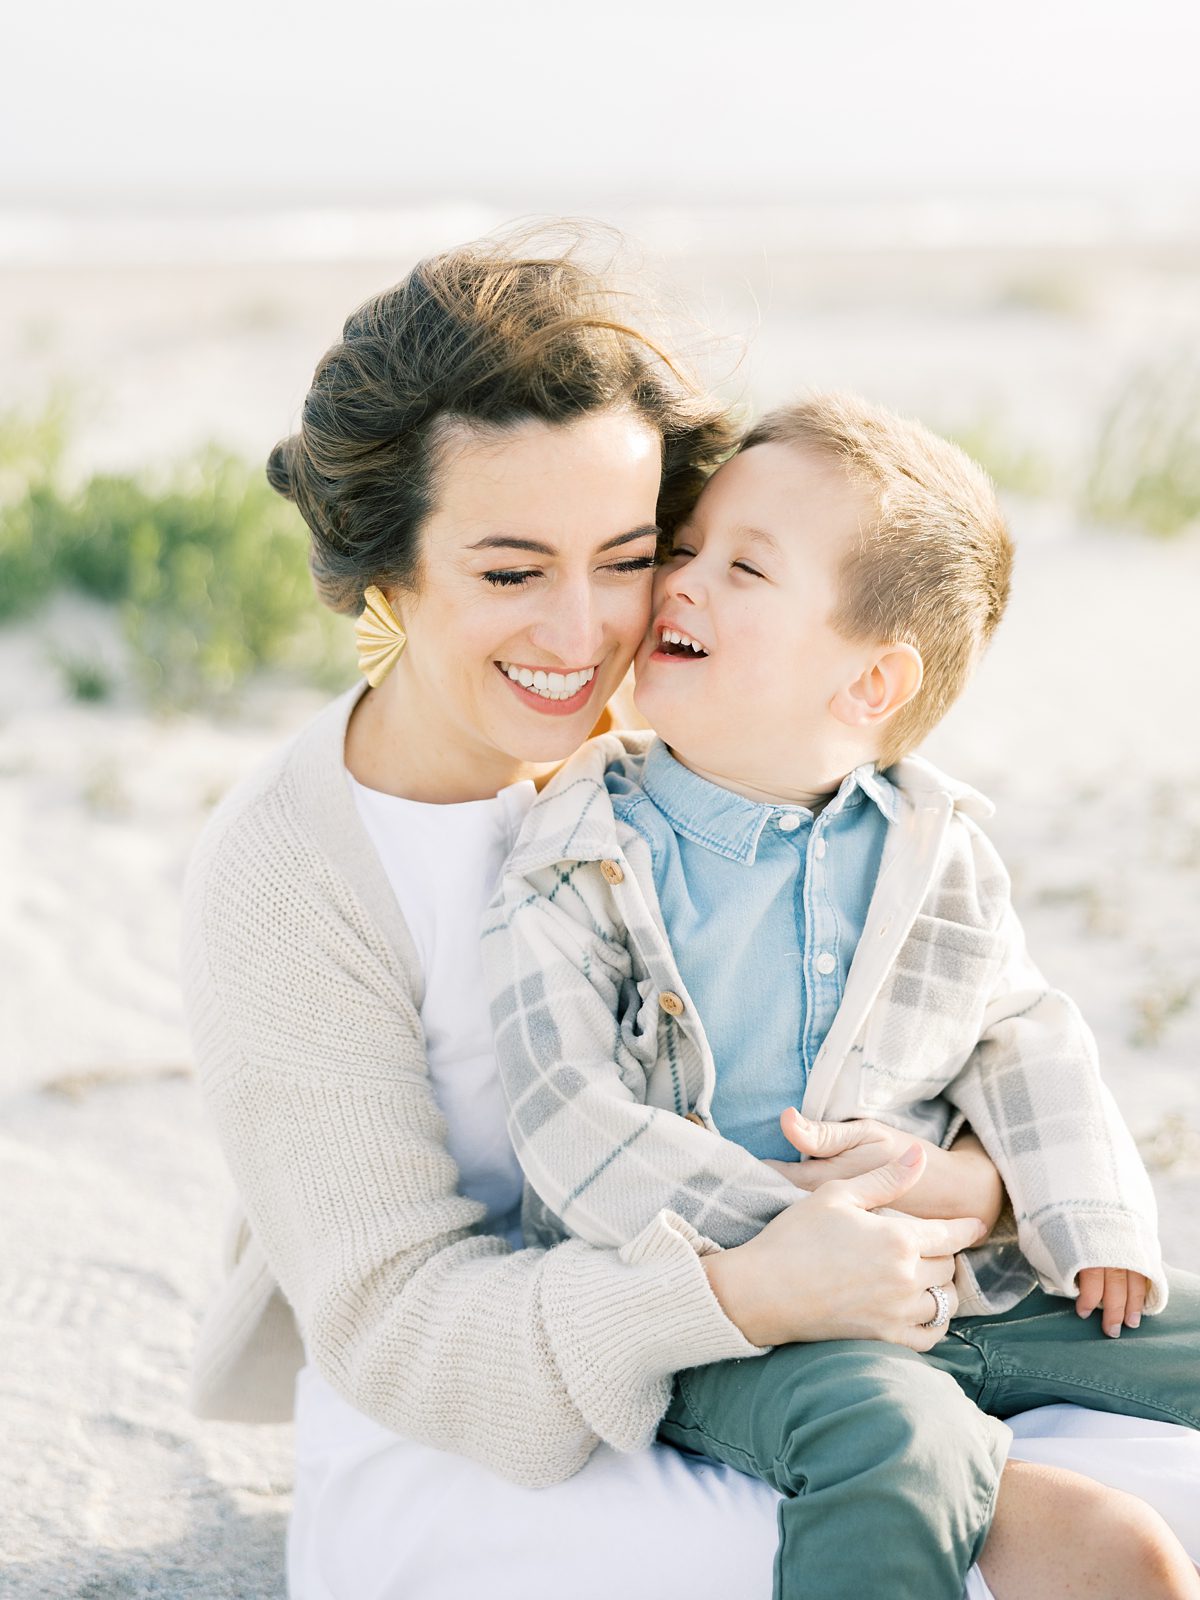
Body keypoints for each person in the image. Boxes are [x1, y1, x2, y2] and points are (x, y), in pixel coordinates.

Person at [182, 231, 1198, 1600]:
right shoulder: (299, 867)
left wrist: (988, 1185)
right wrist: (754, 1287)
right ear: (388, 569)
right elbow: (404, 1327)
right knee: (1069, 1550)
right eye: (507, 571)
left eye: (629, 553)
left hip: (842, 1301)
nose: (585, 627)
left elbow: (936, 1025)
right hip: (501, 1419)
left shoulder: (698, 731)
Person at [483, 391, 1200, 1599]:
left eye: (743, 566)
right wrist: (795, 1242)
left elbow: (1021, 1030)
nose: (681, 581)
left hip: (952, 1285)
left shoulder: (934, 846)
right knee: (895, 1446)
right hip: (739, 1316)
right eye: (687, 545)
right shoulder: (585, 850)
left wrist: (1084, 1213)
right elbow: (566, 1113)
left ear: (871, 685)